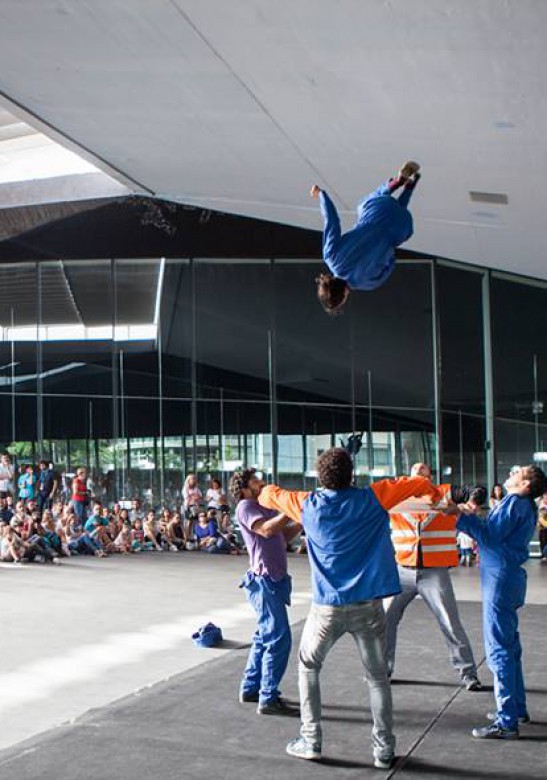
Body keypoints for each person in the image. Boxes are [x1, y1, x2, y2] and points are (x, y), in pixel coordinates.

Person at [258, 448, 443, 769]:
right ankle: (384, 751)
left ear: (320, 477)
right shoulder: (374, 497)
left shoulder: (306, 503)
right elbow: (414, 483)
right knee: (377, 679)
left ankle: (311, 740)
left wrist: (259, 487)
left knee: (308, 667)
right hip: (368, 606)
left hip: (326, 608)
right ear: (351, 474)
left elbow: (267, 495)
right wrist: (430, 490)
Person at [457, 464, 546, 739]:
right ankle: (516, 709)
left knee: (499, 650)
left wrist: (459, 517)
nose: (512, 472)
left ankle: (507, 722)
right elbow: (496, 533)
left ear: (525, 485)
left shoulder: (515, 502)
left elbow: (489, 537)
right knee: (510, 646)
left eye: (518, 473)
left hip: (500, 578)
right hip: (508, 578)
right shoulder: (523, 505)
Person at [385, 463, 482, 690]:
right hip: (401, 570)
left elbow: (476, 492)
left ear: (430, 476)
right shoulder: (395, 496)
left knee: (450, 622)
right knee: (385, 620)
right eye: (415, 468)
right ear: (408, 475)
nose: (419, 470)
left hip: (434, 573)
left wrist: (465, 507)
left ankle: (468, 674)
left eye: (424, 468)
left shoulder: (445, 493)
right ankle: (382, 671)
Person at [229, 468, 300, 716]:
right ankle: (268, 697)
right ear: (244, 489)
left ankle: (250, 688)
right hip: (264, 582)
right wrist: (291, 509)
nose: (262, 483)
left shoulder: (264, 506)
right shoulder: (246, 506)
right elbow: (267, 530)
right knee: (279, 638)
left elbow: (283, 535)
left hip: (275, 580)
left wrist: (301, 519)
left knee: (263, 636)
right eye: (255, 481)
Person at [311, 161, 420, 314]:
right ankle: (396, 182)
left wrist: (384, 250)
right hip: (378, 208)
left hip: (402, 226)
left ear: (343, 296)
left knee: (396, 230)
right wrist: (321, 195)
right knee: (364, 204)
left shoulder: (369, 284)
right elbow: (332, 220)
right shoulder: (331, 256)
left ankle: (410, 187)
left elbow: (391, 263)